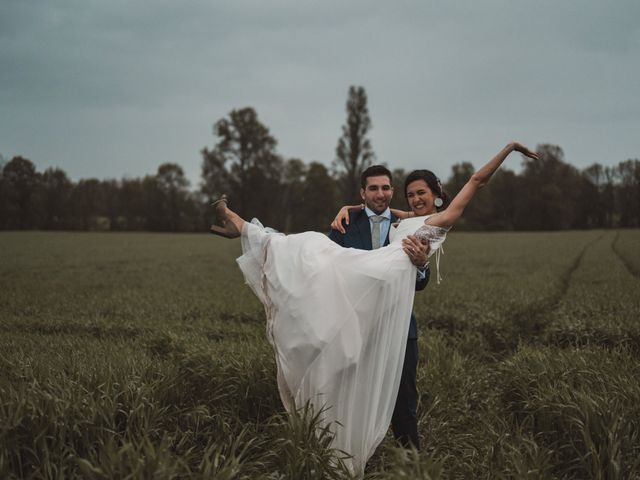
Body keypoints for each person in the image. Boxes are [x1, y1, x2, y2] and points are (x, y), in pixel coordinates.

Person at [209, 141, 538, 476]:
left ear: (438, 195)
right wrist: (349, 207)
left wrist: (509, 148)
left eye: (421, 193)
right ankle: (243, 228)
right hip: (368, 285)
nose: (415, 200)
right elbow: (379, 210)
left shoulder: (442, 218)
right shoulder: (403, 218)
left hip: (388, 274)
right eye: (410, 194)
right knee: (311, 249)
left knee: (403, 404)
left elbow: (477, 181)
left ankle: (413, 468)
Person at [327, 165, 430, 451]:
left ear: (392, 191)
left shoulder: (408, 226)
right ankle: (358, 462)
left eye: (385, 188)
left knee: (404, 405)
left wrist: (421, 265)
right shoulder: (344, 224)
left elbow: (420, 283)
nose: (380, 194)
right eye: (373, 188)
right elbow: (329, 274)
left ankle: (411, 468)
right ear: (363, 192)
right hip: (355, 331)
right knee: (354, 402)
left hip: (400, 331)